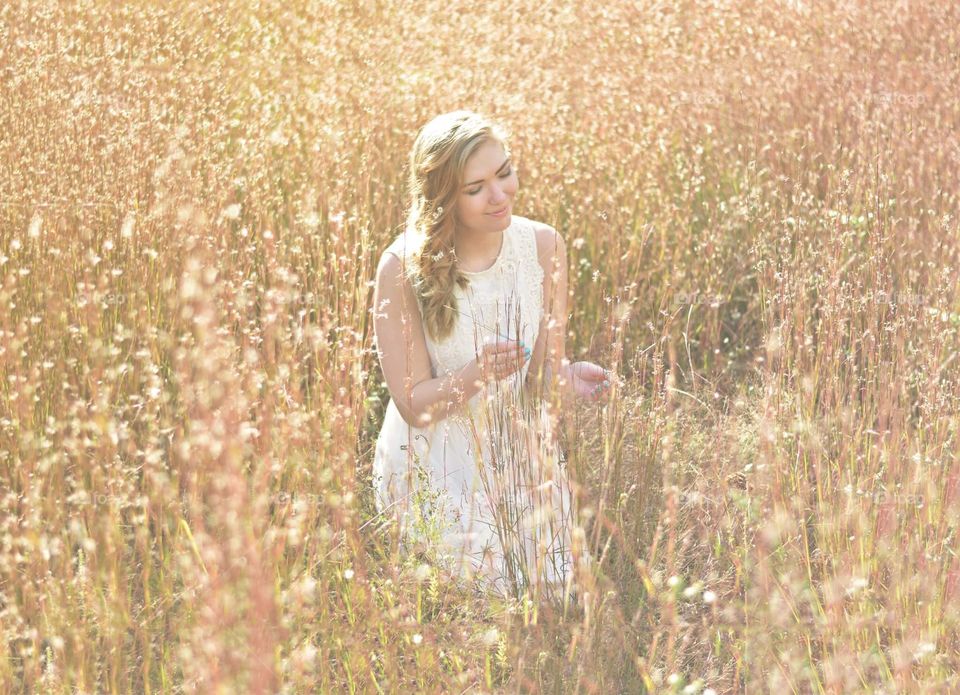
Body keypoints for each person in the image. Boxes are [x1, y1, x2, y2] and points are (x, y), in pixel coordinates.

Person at [371, 109, 613, 603]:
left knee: (564, 590)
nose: (500, 195)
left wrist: (563, 377)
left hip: (515, 448)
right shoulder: (399, 268)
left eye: (504, 173)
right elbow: (415, 406)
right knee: (499, 591)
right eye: (476, 187)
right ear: (443, 198)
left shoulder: (544, 246)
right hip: (433, 462)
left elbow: (537, 379)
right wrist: (476, 375)